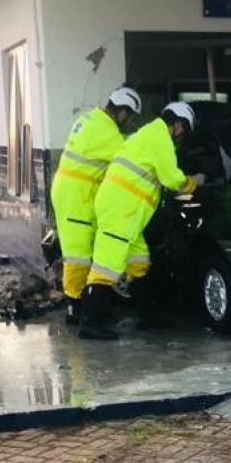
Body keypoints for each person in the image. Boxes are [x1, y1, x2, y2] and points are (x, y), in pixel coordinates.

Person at [80, 101, 201, 340]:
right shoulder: (159, 137)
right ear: (177, 123)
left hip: (128, 212)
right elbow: (170, 177)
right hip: (121, 211)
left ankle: (147, 314)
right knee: (107, 265)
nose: (181, 135)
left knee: (139, 262)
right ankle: (89, 323)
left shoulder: (149, 133)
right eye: (182, 129)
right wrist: (192, 182)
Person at [50, 86, 141, 325]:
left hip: (73, 191)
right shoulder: (106, 130)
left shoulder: (89, 119)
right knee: (78, 255)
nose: (128, 122)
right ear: (122, 112)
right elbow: (130, 154)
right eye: (129, 117)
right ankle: (75, 307)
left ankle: (79, 303)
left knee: (80, 251)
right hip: (77, 196)